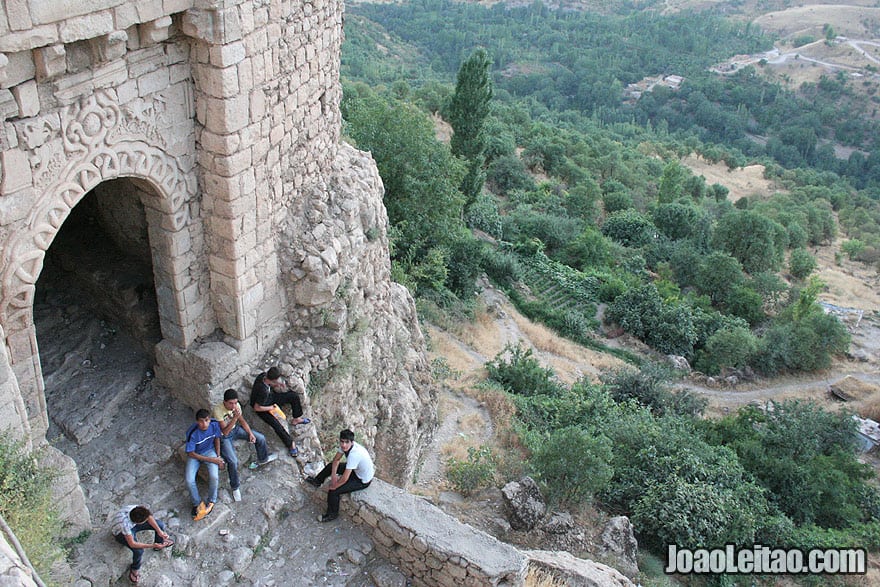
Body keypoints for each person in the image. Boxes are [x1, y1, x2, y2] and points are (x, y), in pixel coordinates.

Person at [212, 389, 277, 502]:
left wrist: (250, 434)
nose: (233, 406)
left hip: (236, 430)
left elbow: (242, 421)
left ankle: (263, 458)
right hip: (224, 436)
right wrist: (235, 418)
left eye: (235, 403)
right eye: (231, 403)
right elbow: (225, 431)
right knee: (233, 461)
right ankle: (235, 487)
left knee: (260, 438)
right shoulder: (218, 410)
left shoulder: (237, 406)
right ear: (225, 402)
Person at [305, 429, 375, 522]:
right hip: (356, 470)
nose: (344, 445)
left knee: (334, 491)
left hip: (362, 480)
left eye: (347, 442)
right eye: (342, 442)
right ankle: (317, 481)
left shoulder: (354, 454)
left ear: (352, 442)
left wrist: (335, 485)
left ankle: (332, 514)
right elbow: (336, 460)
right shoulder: (345, 447)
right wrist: (334, 475)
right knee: (330, 466)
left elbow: (345, 478)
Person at [250, 366, 310, 457]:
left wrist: (277, 385)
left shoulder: (263, 376)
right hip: (262, 407)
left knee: (293, 396)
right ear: (273, 380)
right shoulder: (263, 390)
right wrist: (270, 408)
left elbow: (269, 385)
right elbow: (256, 408)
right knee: (276, 425)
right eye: (276, 380)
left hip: (269, 398)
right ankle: (290, 444)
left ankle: (296, 418)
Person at [110, 504, 172, 584]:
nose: (147, 520)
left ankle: (159, 544)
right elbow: (132, 544)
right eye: (144, 521)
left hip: (132, 524)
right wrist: (152, 545)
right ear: (139, 522)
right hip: (120, 533)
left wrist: (160, 532)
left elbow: (149, 517)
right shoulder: (124, 524)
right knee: (139, 551)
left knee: (160, 525)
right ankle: (134, 569)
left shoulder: (135, 509)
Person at [185, 408, 225, 521]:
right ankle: (197, 503)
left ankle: (212, 500)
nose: (204, 424)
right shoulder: (192, 433)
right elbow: (191, 453)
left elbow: (217, 439)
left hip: (210, 451)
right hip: (195, 455)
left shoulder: (214, 424)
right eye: (201, 421)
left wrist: (218, 457)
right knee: (189, 479)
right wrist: (211, 460)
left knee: (214, 476)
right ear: (197, 422)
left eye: (206, 420)